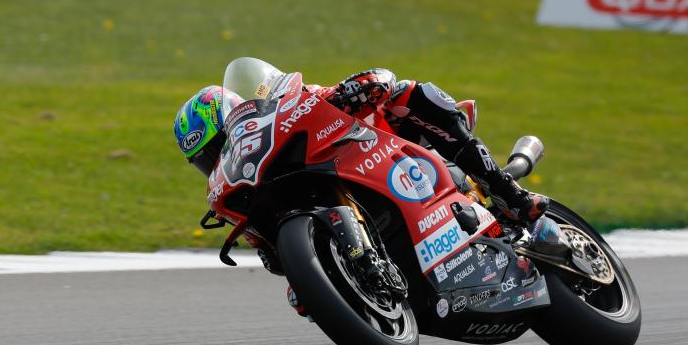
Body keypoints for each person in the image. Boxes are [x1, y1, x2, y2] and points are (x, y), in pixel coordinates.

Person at [173, 70, 548, 223]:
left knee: (406, 93)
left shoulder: (292, 109)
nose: (221, 158)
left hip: (399, 157)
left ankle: (505, 190)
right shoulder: (244, 192)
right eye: (205, 159)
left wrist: (357, 87)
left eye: (221, 143)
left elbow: (376, 81)